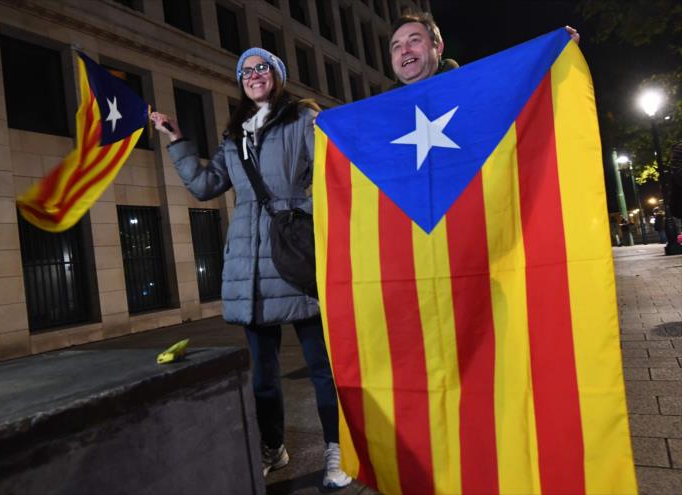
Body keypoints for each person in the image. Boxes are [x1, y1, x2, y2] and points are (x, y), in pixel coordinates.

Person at [150, 48, 352, 489]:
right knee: (263, 374)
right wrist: (176, 140)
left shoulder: (303, 119)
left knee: (322, 366)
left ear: (277, 76)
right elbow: (205, 187)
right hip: (250, 269)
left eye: (262, 68)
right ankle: (273, 447)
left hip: (297, 258)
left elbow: (332, 175)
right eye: (246, 71)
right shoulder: (233, 136)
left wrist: (302, 213)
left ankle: (337, 448)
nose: (254, 75)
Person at [387, 12, 580, 88]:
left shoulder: (478, 89)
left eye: (414, 40)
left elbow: (523, 90)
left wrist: (554, 53)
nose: (404, 50)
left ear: (438, 47)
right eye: (396, 47)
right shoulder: (378, 118)